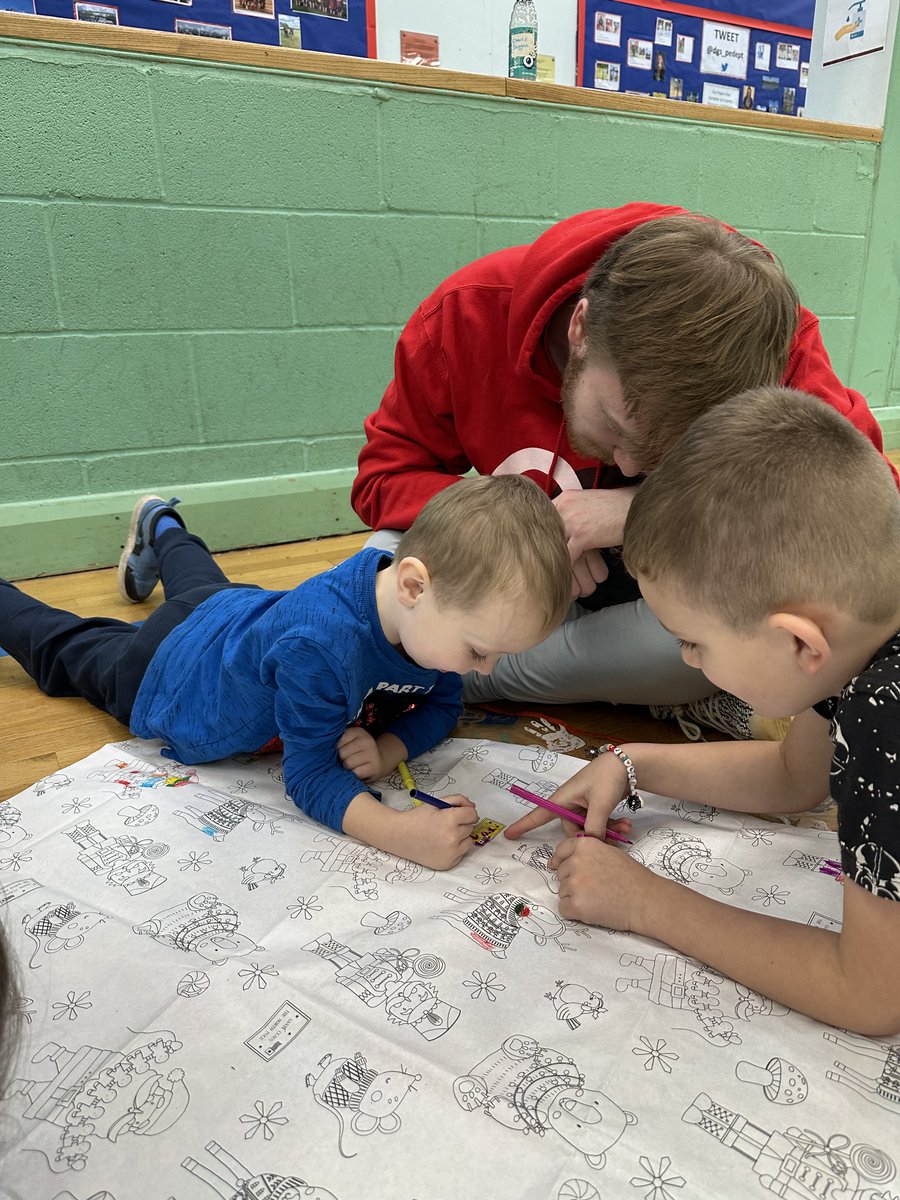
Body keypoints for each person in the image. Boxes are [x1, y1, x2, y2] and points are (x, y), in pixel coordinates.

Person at [352, 204, 895, 738]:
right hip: (519, 570)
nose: (631, 465)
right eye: (614, 425)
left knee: (690, 647)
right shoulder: (467, 312)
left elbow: (871, 525)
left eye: (670, 449)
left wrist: (639, 511)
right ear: (582, 328)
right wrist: (526, 527)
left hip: (655, 602)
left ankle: (451, 674)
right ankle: (467, 654)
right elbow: (385, 477)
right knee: (383, 559)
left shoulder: (775, 349)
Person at [505, 388, 900, 1035]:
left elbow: (869, 993)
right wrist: (633, 761)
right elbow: (795, 775)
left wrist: (644, 901)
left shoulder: (887, 716)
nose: (686, 661)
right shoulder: (861, 622)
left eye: (695, 640)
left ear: (799, 642)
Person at [0, 475, 570, 872]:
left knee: (201, 586)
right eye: (478, 652)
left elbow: (443, 704)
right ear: (414, 586)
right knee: (61, 647)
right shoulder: (320, 647)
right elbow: (310, 776)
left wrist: (391, 746)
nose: (484, 671)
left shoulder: (424, 619)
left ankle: (163, 525)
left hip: (232, 612)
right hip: (165, 670)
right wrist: (400, 833)